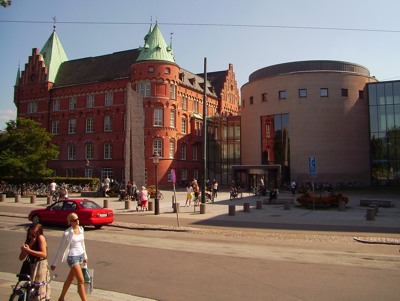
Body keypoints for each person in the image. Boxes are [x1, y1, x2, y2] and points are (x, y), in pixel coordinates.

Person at [51, 213, 88, 301]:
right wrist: (54, 263)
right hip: (72, 257)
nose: (77, 221)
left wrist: (85, 257)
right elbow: (61, 248)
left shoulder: (81, 229)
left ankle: (61, 298)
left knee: (70, 278)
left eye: (78, 219)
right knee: (81, 280)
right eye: (74, 220)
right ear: (70, 222)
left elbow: (83, 244)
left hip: (81, 256)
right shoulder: (67, 233)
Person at [19, 223, 51, 301]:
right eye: (30, 234)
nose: (31, 236)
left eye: (33, 235)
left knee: (39, 289)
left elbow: (44, 254)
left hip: (40, 266)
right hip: (31, 266)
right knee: (30, 288)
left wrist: (29, 251)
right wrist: (29, 246)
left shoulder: (41, 238)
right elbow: (21, 258)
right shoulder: (29, 240)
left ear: (38, 233)